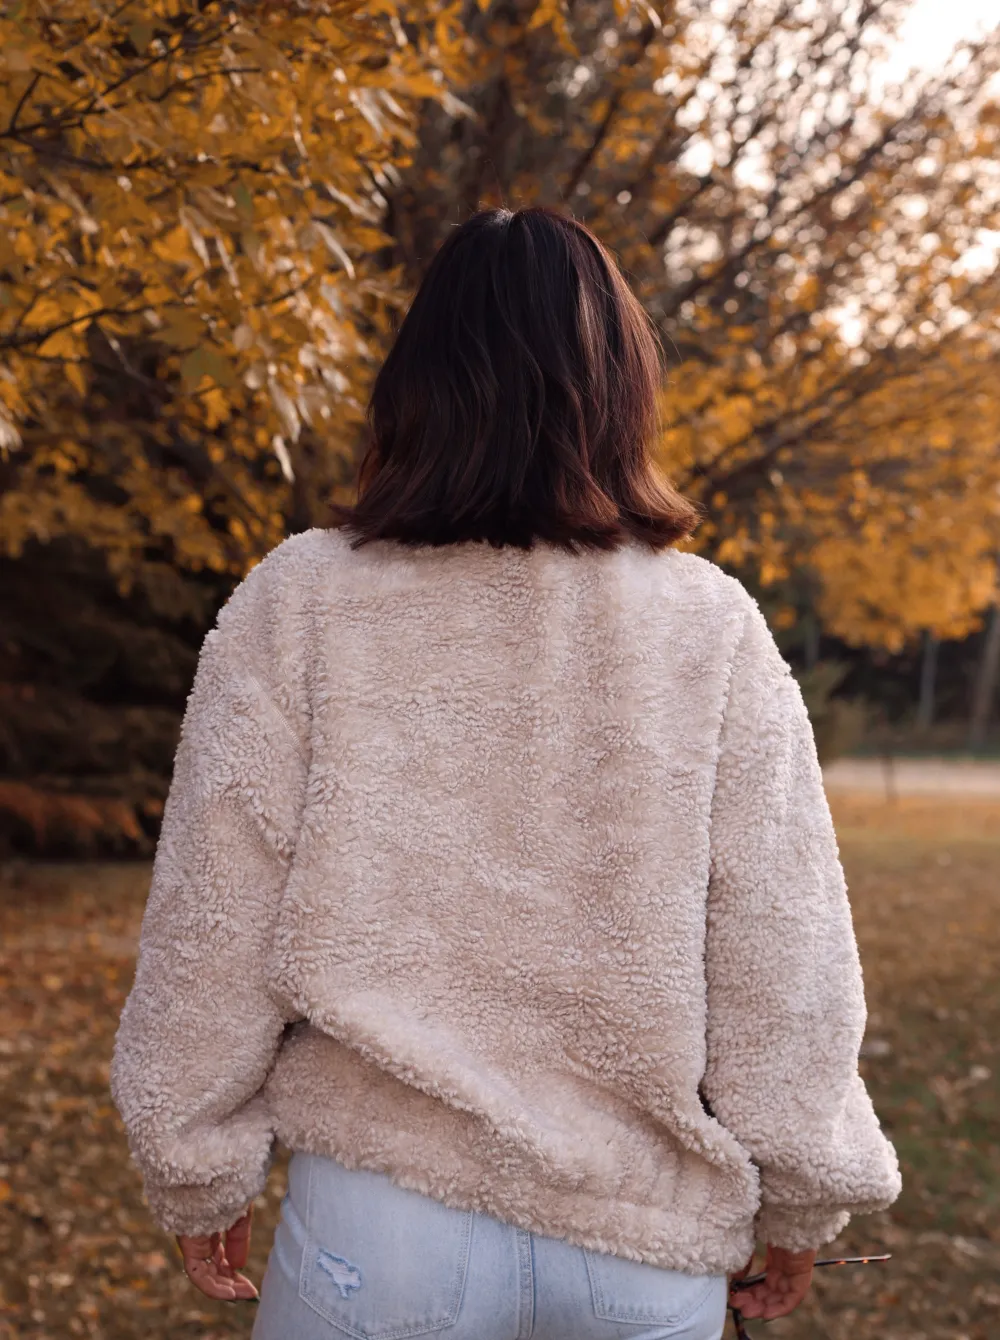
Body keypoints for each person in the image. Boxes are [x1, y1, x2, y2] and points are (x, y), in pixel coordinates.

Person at [110, 206, 901, 1340]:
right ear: (622, 385)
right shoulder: (706, 623)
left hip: (381, 1225)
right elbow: (786, 951)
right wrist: (805, 1192)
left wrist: (192, 1159)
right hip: (643, 1240)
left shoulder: (305, 597)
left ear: (415, 383)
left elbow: (212, 911)